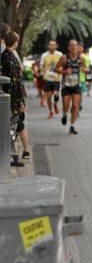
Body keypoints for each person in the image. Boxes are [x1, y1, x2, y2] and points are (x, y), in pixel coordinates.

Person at [1, 31, 31, 165]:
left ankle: (13, 155)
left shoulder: (5, 56)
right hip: (12, 99)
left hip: (9, 97)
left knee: (13, 126)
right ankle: (11, 157)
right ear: (15, 42)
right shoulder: (10, 58)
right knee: (13, 126)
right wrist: (19, 102)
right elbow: (15, 82)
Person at [55, 40, 85, 134]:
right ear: (68, 47)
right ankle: (64, 114)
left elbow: (84, 68)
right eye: (71, 45)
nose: (74, 47)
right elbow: (56, 68)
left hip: (77, 85)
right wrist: (64, 72)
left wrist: (85, 70)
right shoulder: (64, 58)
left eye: (75, 45)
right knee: (66, 105)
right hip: (66, 85)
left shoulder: (81, 58)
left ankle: (72, 126)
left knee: (76, 105)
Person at [41, 40, 63, 119]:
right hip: (47, 79)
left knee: (56, 94)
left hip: (57, 79)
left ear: (56, 46)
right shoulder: (44, 55)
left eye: (54, 45)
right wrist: (44, 72)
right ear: (48, 46)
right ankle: (51, 111)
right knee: (49, 97)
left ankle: (55, 103)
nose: (52, 46)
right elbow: (41, 66)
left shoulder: (60, 54)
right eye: (51, 45)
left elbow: (63, 65)